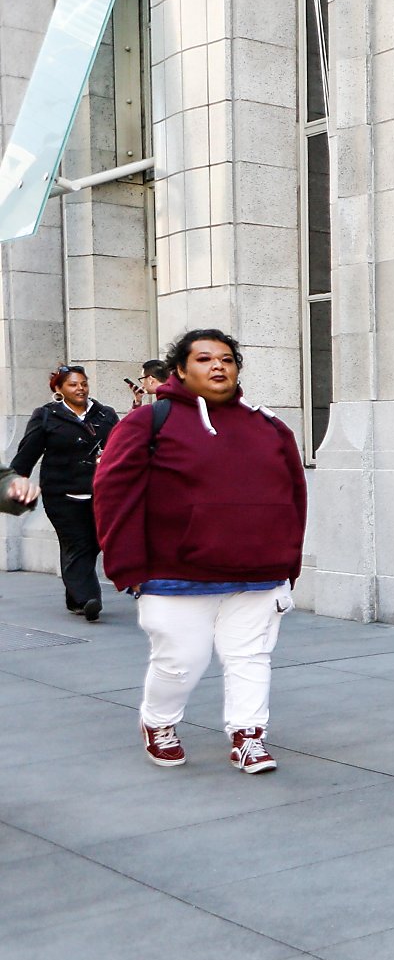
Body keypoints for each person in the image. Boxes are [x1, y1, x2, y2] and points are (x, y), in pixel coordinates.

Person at [95, 330, 307, 773]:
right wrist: (127, 565)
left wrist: (288, 561)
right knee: (180, 662)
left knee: (250, 658)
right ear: (180, 370)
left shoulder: (269, 427)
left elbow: (294, 497)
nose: (218, 366)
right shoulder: (149, 421)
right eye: (205, 358)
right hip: (175, 573)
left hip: (259, 573)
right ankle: (159, 722)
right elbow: (113, 493)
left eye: (227, 359)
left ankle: (248, 735)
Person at [8, 366, 122, 620]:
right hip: (62, 494)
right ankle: (88, 598)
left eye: (83, 383)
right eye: (73, 384)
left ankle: (75, 597)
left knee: (92, 542)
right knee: (77, 542)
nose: (80, 388)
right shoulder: (47, 416)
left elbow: (123, 447)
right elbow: (27, 454)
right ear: (59, 389)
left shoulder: (105, 415)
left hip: (100, 492)